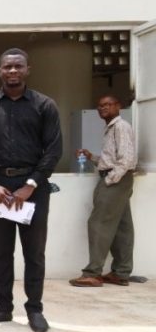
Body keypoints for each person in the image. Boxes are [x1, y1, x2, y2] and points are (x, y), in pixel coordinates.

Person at [0, 48, 62, 332]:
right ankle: (3, 307)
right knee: (2, 252)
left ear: (27, 69)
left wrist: (30, 185)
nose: (12, 71)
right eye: (7, 67)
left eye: (18, 66)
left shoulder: (44, 105)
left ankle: (34, 309)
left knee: (34, 253)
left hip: (33, 190)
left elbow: (53, 150)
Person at [69, 95, 136, 287]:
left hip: (117, 180)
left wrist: (109, 180)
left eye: (108, 104)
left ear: (118, 106)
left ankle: (93, 273)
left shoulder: (120, 126)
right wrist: (92, 157)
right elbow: (112, 160)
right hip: (120, 179)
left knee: (98, 223)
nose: (102, 108)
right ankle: (121, 272)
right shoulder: (112, 128)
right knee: (122, 227)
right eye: (100, 106)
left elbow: (126, 160)